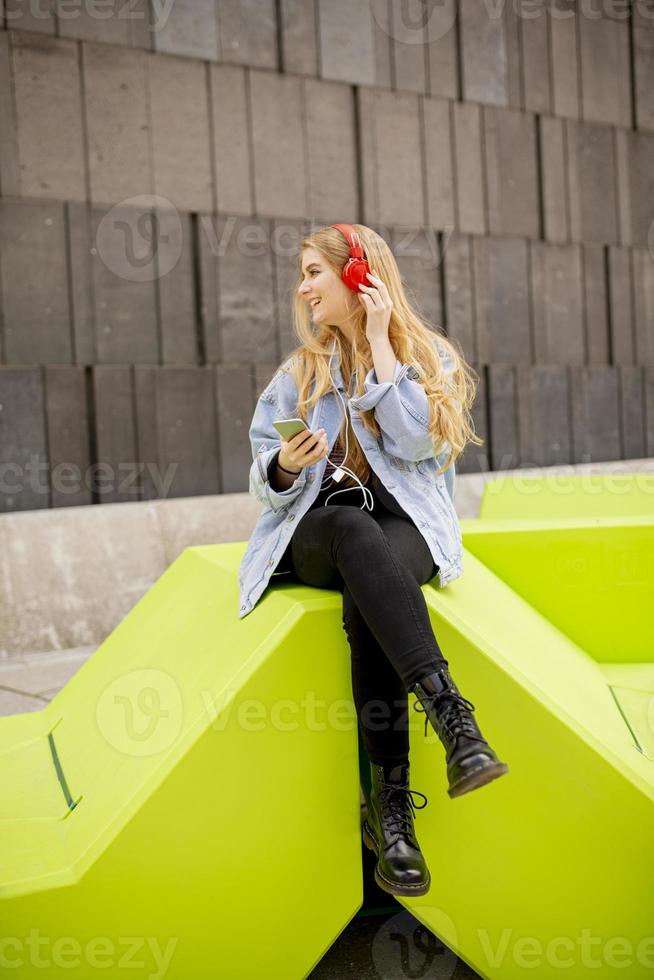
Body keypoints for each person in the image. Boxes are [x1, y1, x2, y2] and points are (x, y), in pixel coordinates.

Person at [239, 223, 509, 898]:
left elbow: (418, 447)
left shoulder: (426, 356)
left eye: (313, 273)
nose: (302, 289)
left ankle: (391, 817)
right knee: (356, 538)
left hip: (406, 526)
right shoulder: (298, 373)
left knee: (373, 588)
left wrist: (385, 347)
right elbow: (259, 479)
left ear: (359, 278)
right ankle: (455, 722)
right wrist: (281, 467)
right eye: (301, 275)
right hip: (318, 529)